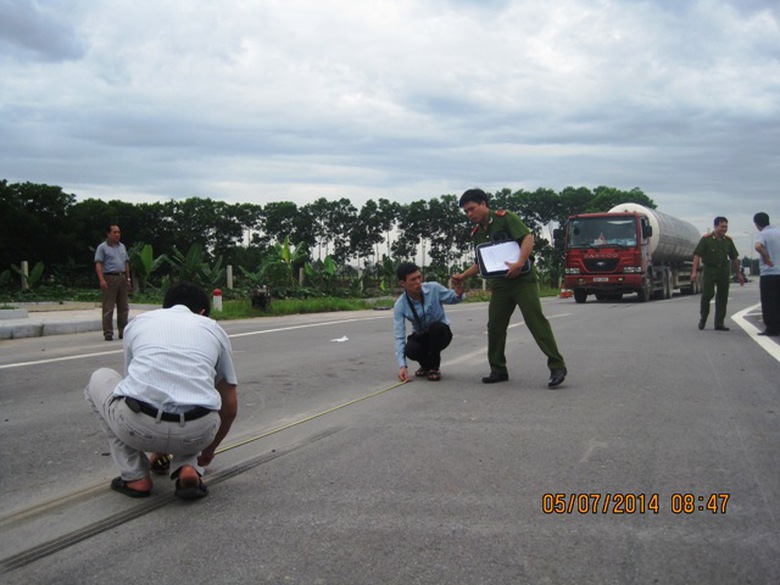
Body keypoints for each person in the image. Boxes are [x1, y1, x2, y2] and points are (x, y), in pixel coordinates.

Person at [85, 283, 238, 500]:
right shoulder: (213, 329)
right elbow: (230, 407)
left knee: (100, 377)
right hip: (197, 433)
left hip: (138, 428)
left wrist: (157, 442)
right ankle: (189, 467)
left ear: (165, 307)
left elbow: (135, 389)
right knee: (201, 392)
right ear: (202, 312)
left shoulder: (139, 323)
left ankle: (135, 475)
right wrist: (209, 450)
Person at [452, 188, 567, 388]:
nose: (469, 214)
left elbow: (528, 238)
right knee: (495, 326)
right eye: (466, 212)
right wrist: (462, 276)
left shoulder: (505, 218)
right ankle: (498, 369)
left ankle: (557, 365)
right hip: (500, 285)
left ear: (484, 204)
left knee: (535, 320)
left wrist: (520, 262)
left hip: (522, 280)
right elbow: (481, 263)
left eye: (471, 209)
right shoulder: (477, 233)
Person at [394, 262, 463, 382]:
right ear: (402, 283)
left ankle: (434, 368)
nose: (418, 282)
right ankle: (426, 366)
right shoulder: (400, 305)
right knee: (410, 349)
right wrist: (402, 366)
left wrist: (458, 293)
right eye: (413, 279)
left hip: (441, 334)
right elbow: (399, 336)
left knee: (436, 328)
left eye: (419, 277)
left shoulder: (434, 288)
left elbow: (453, 298)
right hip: (422, 335)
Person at [692, 216, 744, 331]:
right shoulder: (706, 239)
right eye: (722, 227)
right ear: (715, 226)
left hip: (724, 270)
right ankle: (703, 319)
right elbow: (697, 255)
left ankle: (719, 323)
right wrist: (694, 272)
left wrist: (739, 274)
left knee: (723, 296)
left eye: (725, 227)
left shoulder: (728, 241)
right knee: (707, 295)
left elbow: (734, 258)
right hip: (710, 270)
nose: (724, 229)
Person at [94, 224, 131, 341]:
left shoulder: (122, 247)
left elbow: (126, 263)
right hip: (109, 277)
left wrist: (128, 278)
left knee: (123, 307)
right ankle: (108, 332)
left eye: (118, 232)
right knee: (108, 307)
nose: (117, 234)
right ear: (108, 234)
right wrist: (101, 280)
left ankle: (123, 331)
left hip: (122, 277)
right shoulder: (102, 247)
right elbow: (98, 264)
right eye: (114, 232)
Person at [753, 212, 780, 336]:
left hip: (769, 274)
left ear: (757, 224)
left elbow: (758, 246)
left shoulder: (763, 234)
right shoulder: (778, 232)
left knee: (769, 302)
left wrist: (766, 257)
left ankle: (772, 328)